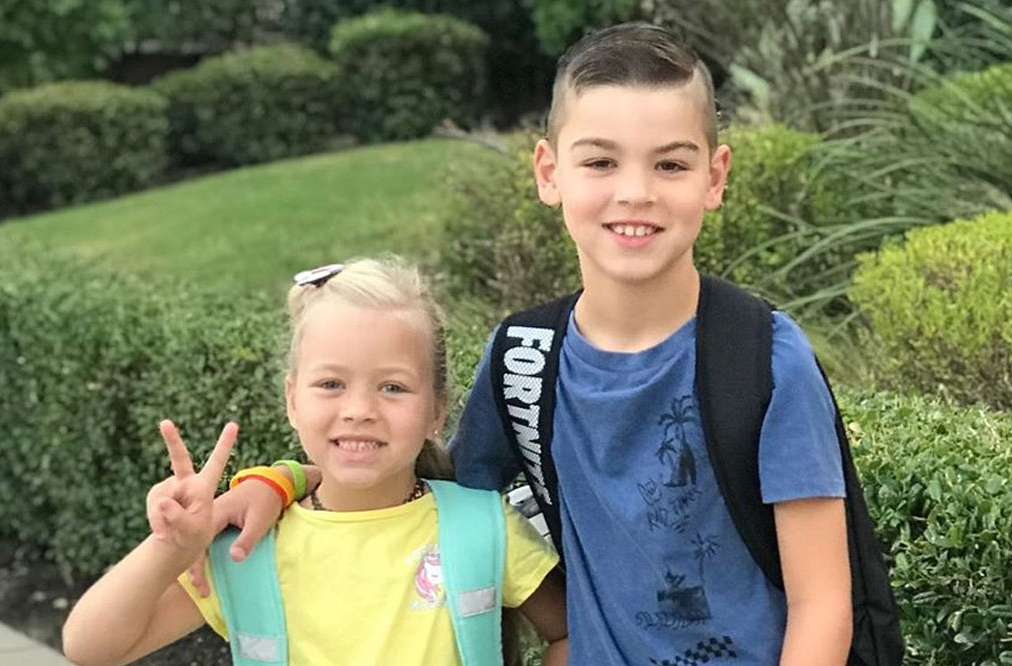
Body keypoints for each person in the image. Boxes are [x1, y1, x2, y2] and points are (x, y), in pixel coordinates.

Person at [204, 22, 853, 665]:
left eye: (671, 164)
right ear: (549, 172)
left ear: (714, 177)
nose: (635, 192)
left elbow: (822, 606)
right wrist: (280, 483)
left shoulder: (765, 359)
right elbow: (414, 487)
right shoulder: (523, 358)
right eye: (600, 161)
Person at [62, 257, 568, 666]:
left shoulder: (483, 526)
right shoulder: (247, 546)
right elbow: (90, 648)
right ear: (292, 401)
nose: (359, 410)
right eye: (331, 384)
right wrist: (170, 547)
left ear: (436, 410)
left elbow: (568, 635)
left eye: (393, 387)